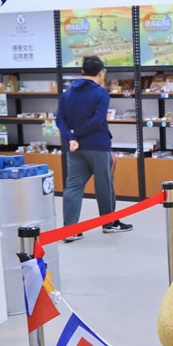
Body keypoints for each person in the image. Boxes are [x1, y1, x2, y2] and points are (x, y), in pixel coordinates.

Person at [55, 55, 132, 241]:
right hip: (97, 145)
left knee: (73, 185)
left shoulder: (67, 93)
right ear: (101, 72)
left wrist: (72, 137)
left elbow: (59, 119)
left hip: (74, 147)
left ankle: (69, 229)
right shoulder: (101, 93)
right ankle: (109, 223)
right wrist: (79, 134)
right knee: (104, 185)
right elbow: (98, 120)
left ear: (82, 72)